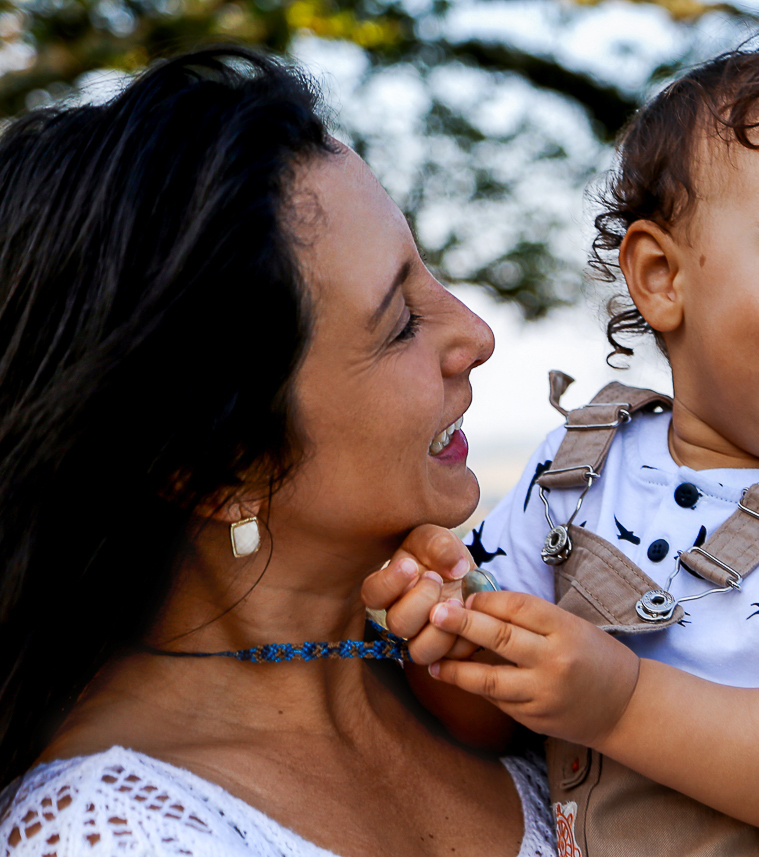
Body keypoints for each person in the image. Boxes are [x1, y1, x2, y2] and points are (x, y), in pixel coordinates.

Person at [366, 35, 759, 855]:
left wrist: (621, 703)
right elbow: (495, 717)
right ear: (662, 277)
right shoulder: (575, 469)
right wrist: (450, 639)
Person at [0, 47, 555, 856]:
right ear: (218, 465)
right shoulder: (115, 834)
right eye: (400, 321)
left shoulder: (485, 683)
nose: (475, 333)